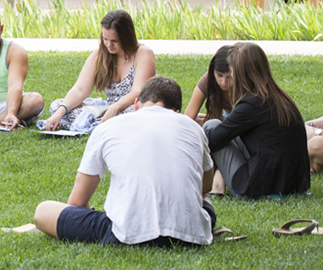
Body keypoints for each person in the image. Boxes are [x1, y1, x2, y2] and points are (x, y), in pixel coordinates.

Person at [33, 76, 216, 247]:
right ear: (176, 111)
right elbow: (205, 187)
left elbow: (77, 201)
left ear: (136, 104)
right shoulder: (193, 128)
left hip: (126, 232)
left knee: (43, 211)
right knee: (205, 201)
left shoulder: (108, 127)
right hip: (190, 234)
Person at [202, 42, 311, 198]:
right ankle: (217, 183)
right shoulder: (280, 97)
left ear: (241, 73)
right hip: (294, 184)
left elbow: (212, 140)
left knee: (210, 127)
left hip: (261, 187)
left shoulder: (251, 103)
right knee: (220, 130)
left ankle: (211, 183)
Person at [43, 9, 155, 132]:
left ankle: (90, 125)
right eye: (105, 39)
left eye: (114, 41)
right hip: (106, 109)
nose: (108, 45)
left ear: (127, 37)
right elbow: (79, 90)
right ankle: (99, 125)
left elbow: (138, 92)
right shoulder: (99, 55)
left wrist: (115, 107)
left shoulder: (143, 53)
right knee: (57, 105)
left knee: (138, 112)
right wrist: (60, 111)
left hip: (129, 107)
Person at [183, 45, 233, 125]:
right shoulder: (207, 80)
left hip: (245, 120)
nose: (224, 82)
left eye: (229, 77)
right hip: (228, 118)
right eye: (219, 75)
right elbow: (187, 118)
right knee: (195, 120)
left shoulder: (245, 82)